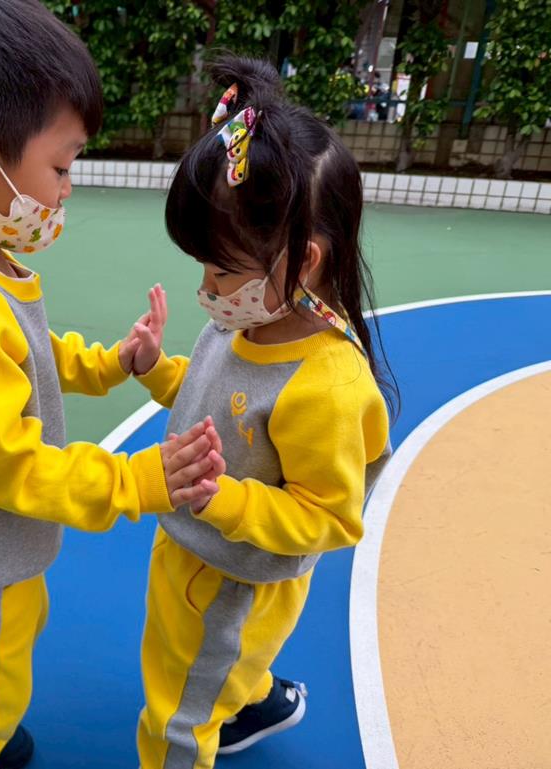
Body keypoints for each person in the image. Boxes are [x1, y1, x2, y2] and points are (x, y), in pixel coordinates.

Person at [0, 2, 223, 767]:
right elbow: (14, 466)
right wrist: (140, 478)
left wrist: (110, 362)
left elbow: (27, 352)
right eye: (60, 167)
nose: (66, 189)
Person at [121, 56, 394, 768]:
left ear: (302, 262)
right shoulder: (247, 315)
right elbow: (214, 395)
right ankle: (251, 696)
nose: (207, 287)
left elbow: (328, 518)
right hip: (198, 544)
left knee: (177, 717)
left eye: (221, 268)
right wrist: (156, 371)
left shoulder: (324, 386)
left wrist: (223, 499)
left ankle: (221, 708)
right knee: (202, 670)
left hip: (230, 581)